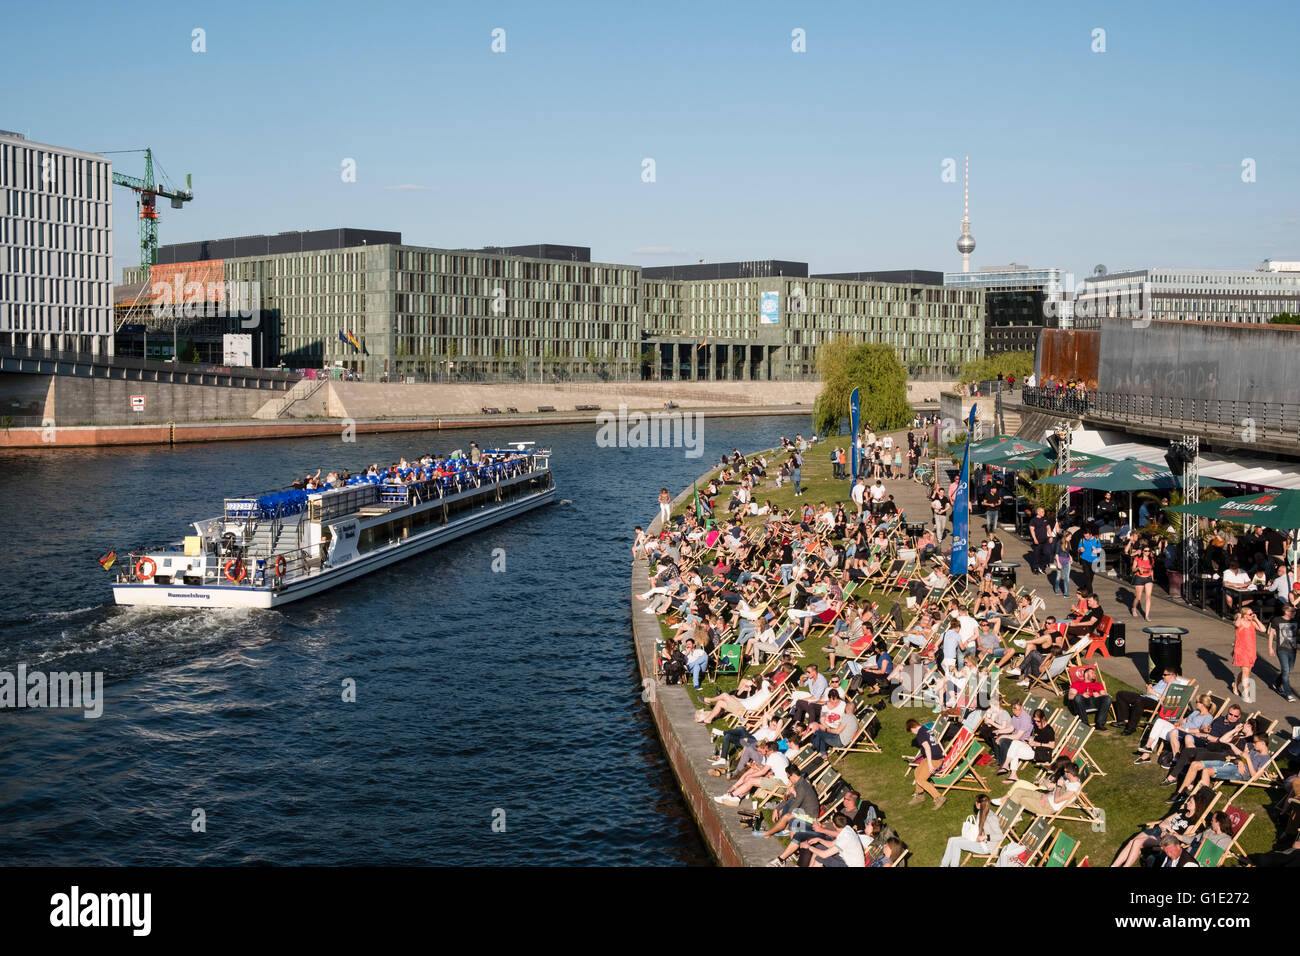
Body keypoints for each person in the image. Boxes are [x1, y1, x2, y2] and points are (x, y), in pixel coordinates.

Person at [940, 794, 1004, 867]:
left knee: (956, 843)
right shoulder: (981, 812)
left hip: (986, 846)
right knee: (951, 840)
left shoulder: (991, 817)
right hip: (976, 839)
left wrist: (985, 837)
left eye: (976, 802)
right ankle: (943, 865)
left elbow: (1000, 836)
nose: (975, 803)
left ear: (979, 804)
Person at [905, 717, 947, 809]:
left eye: (911, 731)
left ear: (912, 728)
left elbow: (927, 748)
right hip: (936, 756)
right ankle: (920, 795)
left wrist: (930, 765)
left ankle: (939, 797)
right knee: (917, 771)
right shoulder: (926, 729)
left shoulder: (920, 734)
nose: (912, 733)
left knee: (921, 780)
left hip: (934, 759)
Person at [1232, 607, 1265, 698]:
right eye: (1250, 614)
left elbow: (1263, 630)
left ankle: (1235, 685)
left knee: (1246, 672)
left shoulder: (1252, 623)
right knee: (1245, 671)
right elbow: (1237, 624)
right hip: (1241, 650)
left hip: (1251, 650)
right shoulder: (1239, 622)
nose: (1252, 615)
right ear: (1245, 615)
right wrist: (1239, 617)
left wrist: (1256, 619)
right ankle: (1246, 693)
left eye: (1252, 613)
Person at [1268, 604, 1298, 701]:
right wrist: (1270, 647)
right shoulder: (1277, 620)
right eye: (1292, 611)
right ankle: (1288, 693)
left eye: (1295, 611)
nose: (1294, 613)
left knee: (1289, 670)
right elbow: (1271, 633)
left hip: (1293, 650)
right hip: (1282, 650)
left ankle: (1276, 683)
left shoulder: (1296, 621)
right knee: (1285, 670)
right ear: (1286, 612)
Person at [1067, 665, 1112, 731]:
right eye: (1092, 673)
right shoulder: (1076, 684)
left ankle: (1100, 724)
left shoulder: (1098, 684)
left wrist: (1099, 695)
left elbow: (1106, 695)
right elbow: (1070, 696)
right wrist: (1082, 695)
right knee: (1078, 697)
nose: (1094, 675)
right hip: (1083, 702)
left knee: (1108, 698)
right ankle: (1085, 723)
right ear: (1086, 674)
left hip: (1095, 701)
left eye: (1095, 673)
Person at [1130, 543, 1155, 621]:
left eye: (1148, 551)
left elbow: (1151, 569)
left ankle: (1147, 616)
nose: (1147, 552)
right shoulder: (1138, 558)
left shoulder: (1151, 559)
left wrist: (1152, 578)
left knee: (1148, 596)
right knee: (1138, 597)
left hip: (1148, 578)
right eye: (1145, 551)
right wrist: (1137, 568)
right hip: (1139, 578)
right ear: (1142, 551)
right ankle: (1134, 608)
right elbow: (1133, 569)